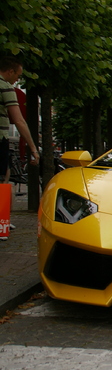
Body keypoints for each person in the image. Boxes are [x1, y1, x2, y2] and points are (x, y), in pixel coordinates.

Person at [0, 56, 40, 240]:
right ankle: (1, 222)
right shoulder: (6, 87)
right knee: (2, 178)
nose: (17, 79)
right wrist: (33, 147)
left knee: (6, 174)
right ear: (9, 71)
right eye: (17, 75)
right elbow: (18, 120)